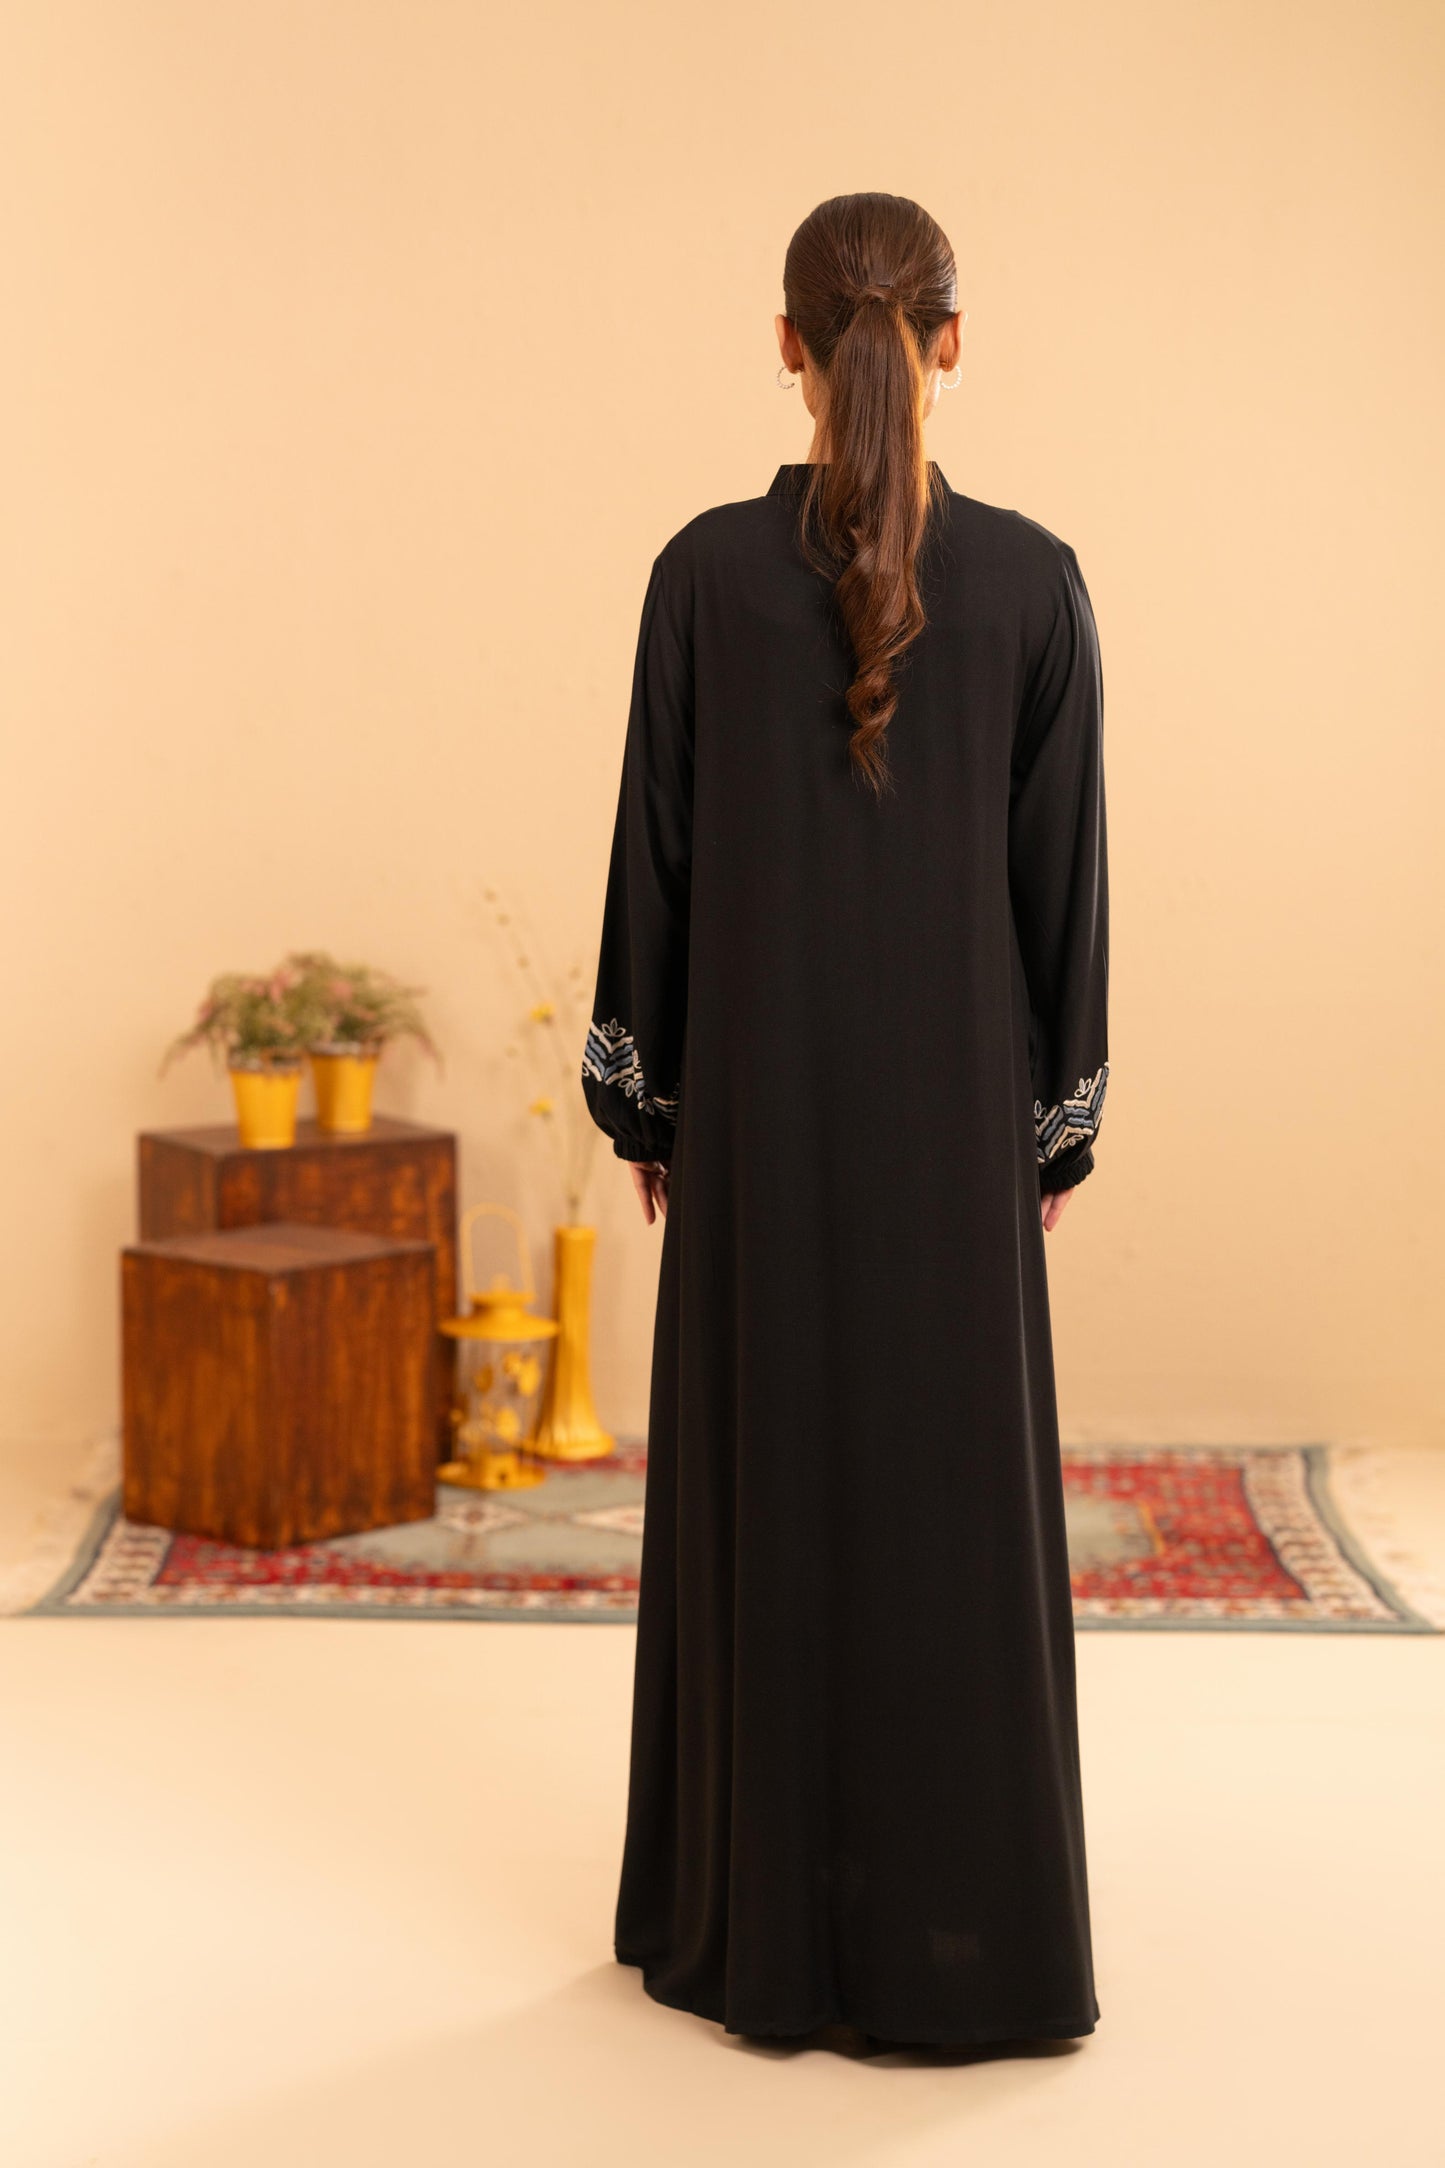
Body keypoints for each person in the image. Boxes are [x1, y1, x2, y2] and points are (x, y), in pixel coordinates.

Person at [580, 190, 1108, 2050]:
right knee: (947, 1504)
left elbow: (652, 865)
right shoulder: (1035, 583)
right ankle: (968, 1934)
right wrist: (1048, 1132)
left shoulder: (701, 577)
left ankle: (753, 1930)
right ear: (950, 343)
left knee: (766, 1485)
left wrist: (647, 1108)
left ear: (787, 348)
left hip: (754, 1127)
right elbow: (1061, 897)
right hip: (955, 1135)